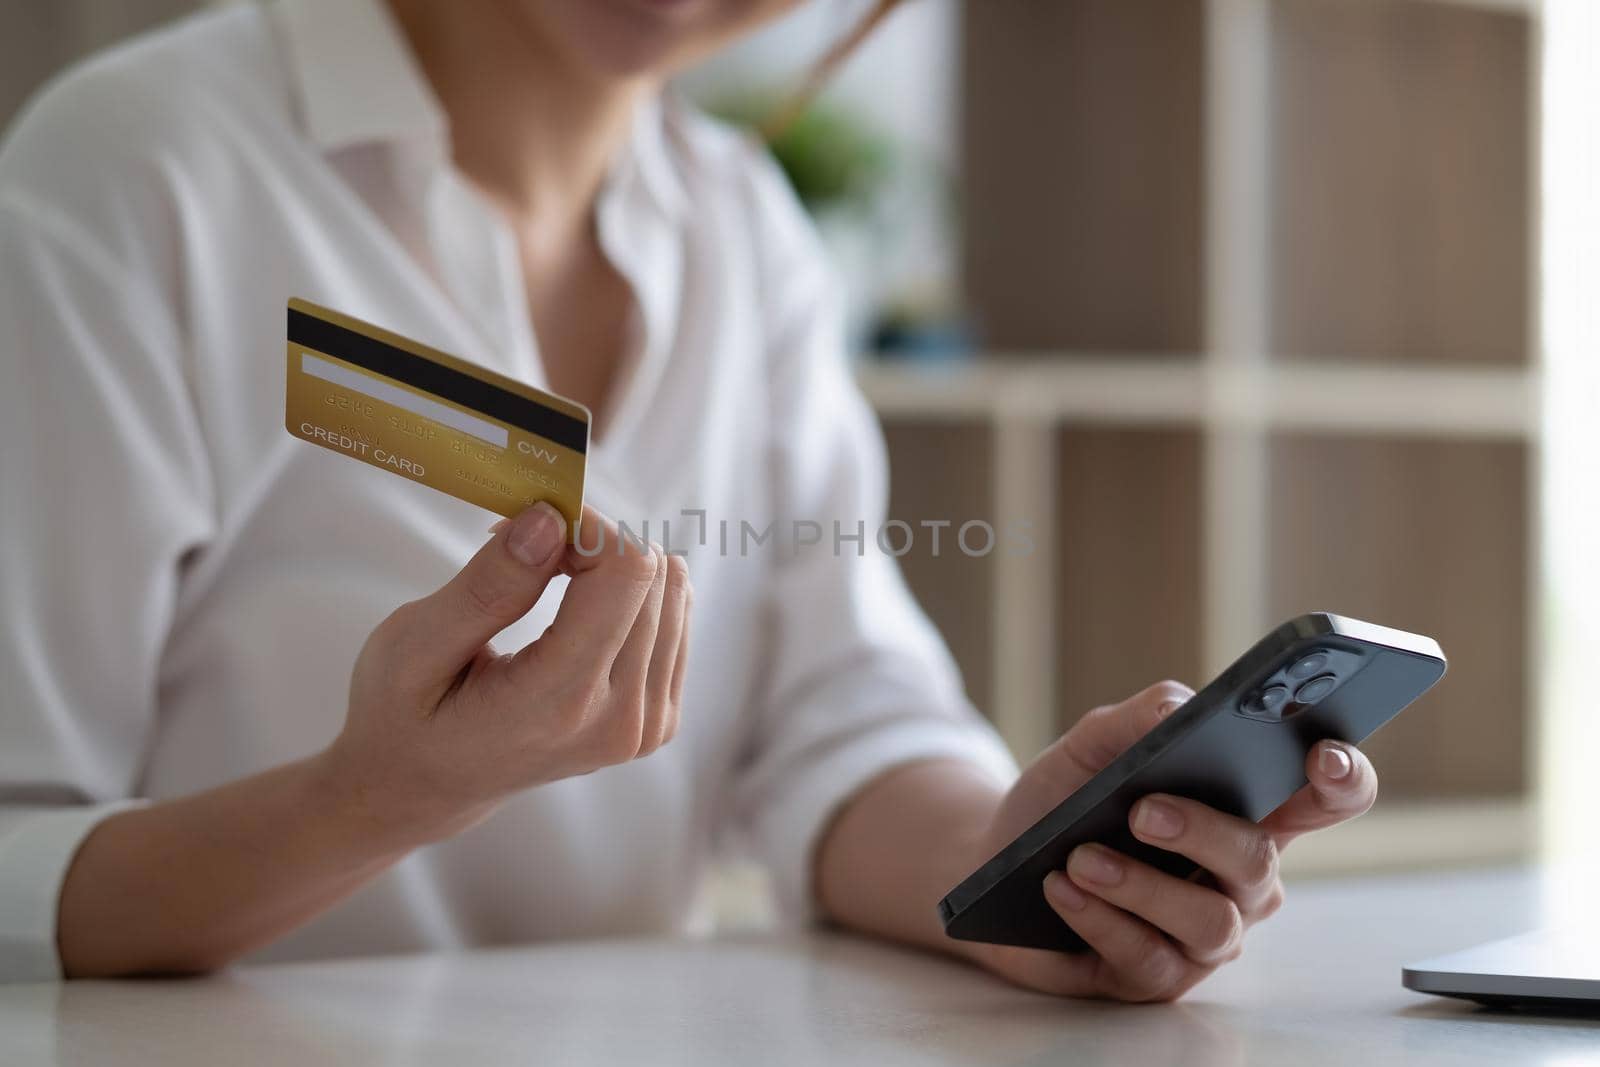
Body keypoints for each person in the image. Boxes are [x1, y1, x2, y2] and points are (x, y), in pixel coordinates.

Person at [0, 0, 1377, 999]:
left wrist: (1022, 880)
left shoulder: (745, 232)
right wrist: (369, 803)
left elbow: (835, 727)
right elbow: (19, 860)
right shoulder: (133, 174)